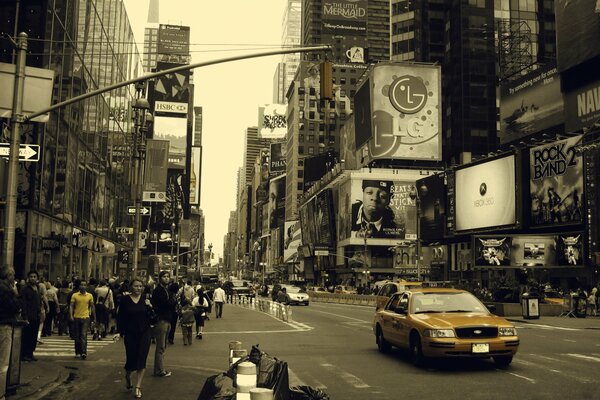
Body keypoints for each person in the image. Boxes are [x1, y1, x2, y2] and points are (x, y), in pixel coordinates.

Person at [117, 278, 153, 399]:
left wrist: (150, 306)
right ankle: (128, 375)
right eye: (136, 286)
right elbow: (120, 316)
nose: (138, 288)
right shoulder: (125, 300)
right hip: (130, 333)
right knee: (131, 359)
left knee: (141, 358)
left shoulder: (145, 300)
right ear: (131, 287)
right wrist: (119, 331)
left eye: (140, 286)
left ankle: (138, 387)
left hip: (144, 332)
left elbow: (152, 317)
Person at [1, 266, 21, 400]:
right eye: (13, 275)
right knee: (3, 363)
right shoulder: (7, 290)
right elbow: (14, 307)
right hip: (4, 326)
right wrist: (15, 292)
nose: (14, 278)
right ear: (9, 276)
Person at [151, 271, 176, 377]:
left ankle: (160, 368)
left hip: (167, 320)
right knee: (161, 347)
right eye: (164, 277)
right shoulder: (158, 291)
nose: (166, 278)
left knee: (163, 347)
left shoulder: (166, 290)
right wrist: (173, 301)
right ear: (160, 278)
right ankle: (159, 370)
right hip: (161, 320)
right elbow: (166, 304)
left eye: (168, 277)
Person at [19, 270, 43, 362]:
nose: (33, 278)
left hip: (36, 316)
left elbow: (39, 302)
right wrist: (25, 317)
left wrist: (40, 312)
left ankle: (30, 353)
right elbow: (23, 303)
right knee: (27, 336)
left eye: (34, 277)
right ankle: (25, 354)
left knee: (33, 336)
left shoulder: (37, 288)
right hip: (28, 316)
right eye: (31, 276)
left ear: (37, 278)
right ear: (28, 278)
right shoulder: (25, 289)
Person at [69, 279, 95, 359]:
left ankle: (84, 352)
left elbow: (92, 306)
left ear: (86, 286)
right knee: (77, 336)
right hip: (76, 317)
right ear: (79, 286)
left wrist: (94, 317)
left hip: (85, 317)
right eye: (81, 285)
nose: (83, 286)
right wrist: (71, 315)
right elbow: (71, 306)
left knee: (84, 335)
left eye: (84, 285)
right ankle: (77, 352)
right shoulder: (75, 295)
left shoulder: (89, 295)